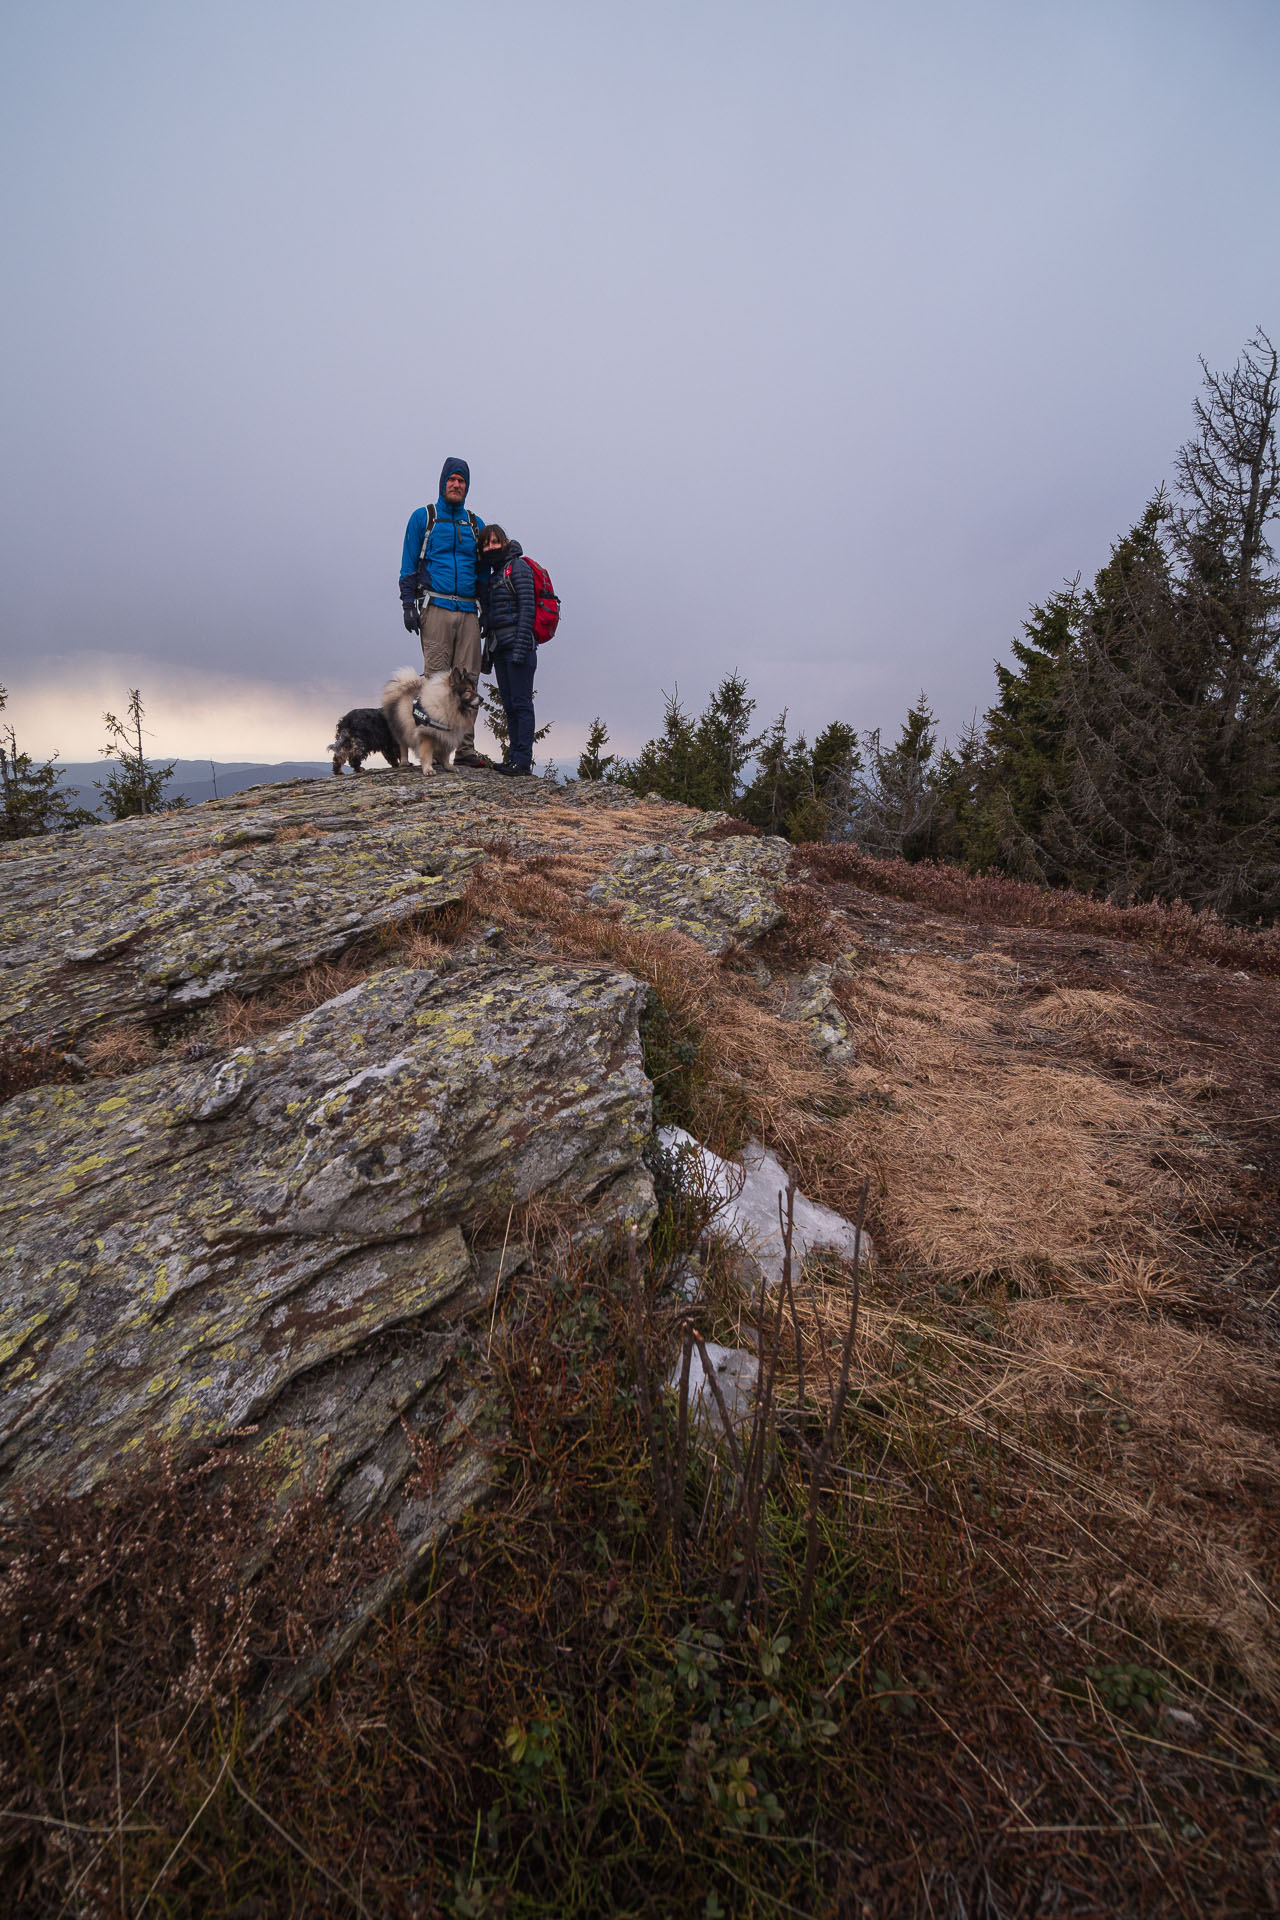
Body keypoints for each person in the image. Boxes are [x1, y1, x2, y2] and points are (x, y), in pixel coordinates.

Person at [399, 457, 490, 767]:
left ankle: (465, 750)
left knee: (469, 682)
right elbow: (408, 565)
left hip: (468, 611)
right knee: (436, 680)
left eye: (462, 481)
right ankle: (436, 748)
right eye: (452, 480)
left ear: (467, 486)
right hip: (435, 606)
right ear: (442, 483)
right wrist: (408, 605)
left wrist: (486, 614)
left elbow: (481, 573)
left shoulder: (474, 524)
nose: (456, 485)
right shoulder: (423, 518)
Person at [478, 524, 537, 776]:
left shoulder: (519, 567)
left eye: (494, 542)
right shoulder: (496, 573)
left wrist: (520, 649)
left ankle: (522, 761)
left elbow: (528, 608)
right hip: (500, 648)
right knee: (510, 706)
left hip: (518, 646)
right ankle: (513, 757)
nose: (491, 547)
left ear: (504, 541)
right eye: (486, 544)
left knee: (521, 704)